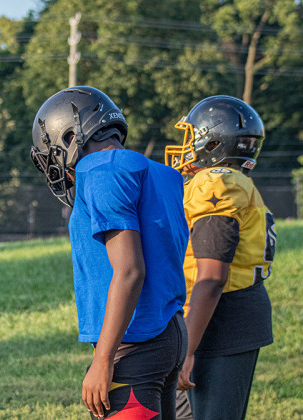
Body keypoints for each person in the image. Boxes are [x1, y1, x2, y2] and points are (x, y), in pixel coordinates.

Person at [30, 86, 188, 419]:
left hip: (136, 342)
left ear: (70, 135)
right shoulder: (161, 173)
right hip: (169, 333)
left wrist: (102, 360)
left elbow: (130, 270)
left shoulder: (101, 169)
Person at [165, 96, 274, 420]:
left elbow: (212, 277)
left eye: (191, 136)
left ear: (212, 141)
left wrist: (187, 349)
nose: (185, 146)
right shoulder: (237, 183)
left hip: (219, 321)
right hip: (215, 317)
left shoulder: (217, 183)